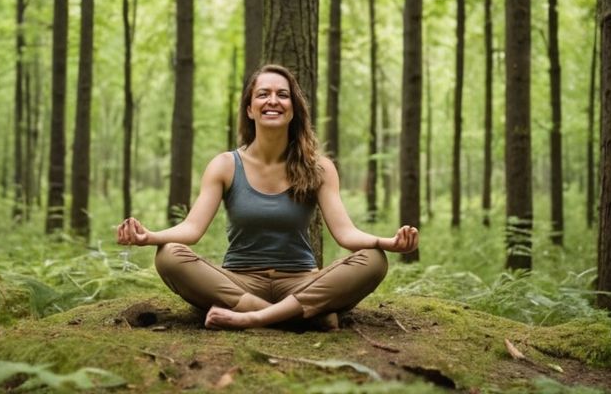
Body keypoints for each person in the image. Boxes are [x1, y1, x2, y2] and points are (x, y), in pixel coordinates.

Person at [116, 64, 419, 330]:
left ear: (293, 108)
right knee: (169, 254)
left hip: (302, 283)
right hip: (239, 283)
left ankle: (253, 318)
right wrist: (150, 236)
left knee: (374, 261)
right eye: (263, 94)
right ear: (250, 109)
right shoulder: (225, 165)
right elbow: (192, 230)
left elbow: (345, 234)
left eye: (282, 94)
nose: (272, 100)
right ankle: (299, 317)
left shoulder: (320, 167)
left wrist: (386, 243)